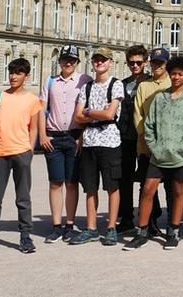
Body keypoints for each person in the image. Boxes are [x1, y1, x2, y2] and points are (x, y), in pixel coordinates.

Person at [123, 56, 183, 251]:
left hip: (180, 156)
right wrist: (153, 146)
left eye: (180, 74)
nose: (176, 77)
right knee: (147, 189)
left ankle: (173, 231)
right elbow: (149, 125)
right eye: (173, 73)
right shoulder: (160, 98)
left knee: (178, 191)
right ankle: (142, 232)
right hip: (158, 155)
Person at [0, 58, 43, 255]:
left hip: (21, 152)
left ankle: (25, 236)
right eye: (11, 72)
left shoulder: (32, 100)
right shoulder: (0, 96)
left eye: (18, 73)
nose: (13, 76)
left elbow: (34, 128)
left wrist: (29, 152)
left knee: (23, 198)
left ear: (26, 76)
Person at [68, 48, 125, 246]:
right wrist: (98, 112)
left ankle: (111, 227)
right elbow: (77, 116)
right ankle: (91, 228)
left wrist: (90, 111)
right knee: (90, 187)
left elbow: (110, 115)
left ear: (111, 62)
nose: (99, 63)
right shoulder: (87, 87)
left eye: (103, 60)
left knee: (112, 186)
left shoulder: (116, 85)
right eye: (96, 60)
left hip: (110, 141)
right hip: (90, 141)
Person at [39, 44, 91, 244]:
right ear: (59, 61)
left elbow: (88, 110)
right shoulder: (50, 81)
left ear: (77, 62)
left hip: (73, 136)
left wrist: (82, 136)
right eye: (65, 59)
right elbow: (41, 109)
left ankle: (69, 224)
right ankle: (56, 226)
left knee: (71, 182)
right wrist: (42, 135)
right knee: (55, 182)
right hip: (53, 136)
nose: (68, 63)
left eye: (72, 60)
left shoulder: (84, 80)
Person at [130, 47, 175, 238]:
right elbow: (138, 114)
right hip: (147, 145)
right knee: (147, 186)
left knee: (171, 186)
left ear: (167, 64)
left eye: (161, 63)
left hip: (169, 145)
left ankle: (173, 223)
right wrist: (145, 137)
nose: (157, 66)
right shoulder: (144, 86)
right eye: (155, 63)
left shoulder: (173, 83)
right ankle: (151, 222)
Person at [117, 45, 150, 234]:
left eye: (138, 62)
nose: (135, 66)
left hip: (145, 137)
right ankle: (127, 217)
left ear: (145, 62)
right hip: (126, 138)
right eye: (131, 63)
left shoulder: (151, 83)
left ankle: (149, 219)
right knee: (125, 179)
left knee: (147, 179)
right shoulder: (122, 84)